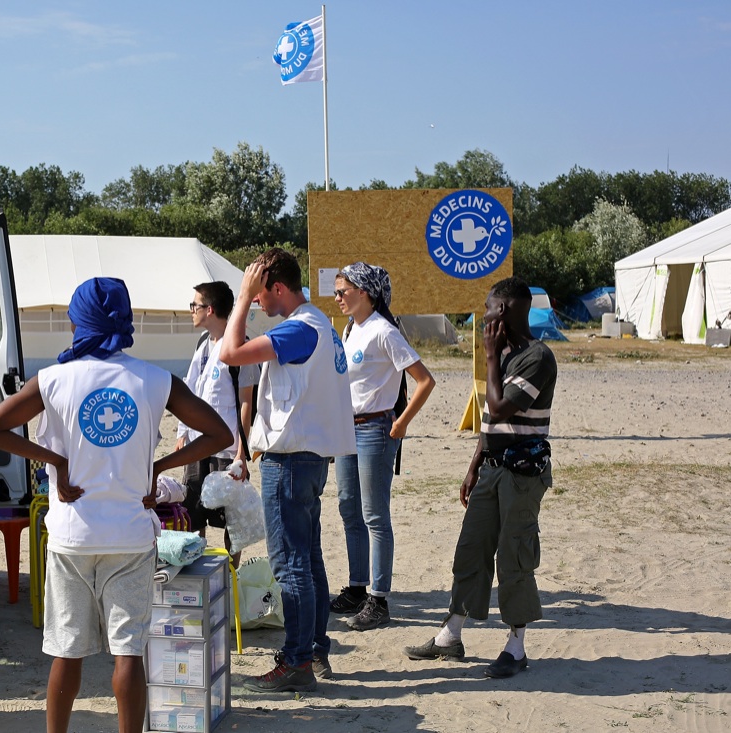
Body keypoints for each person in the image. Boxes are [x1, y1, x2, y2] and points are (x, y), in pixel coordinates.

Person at [0, 277, 231, 733]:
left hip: (71, 535)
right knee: (128, 652)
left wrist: (55, 459)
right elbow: (220, 435)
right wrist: (159, 466)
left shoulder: (52, 380)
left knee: (66, 652)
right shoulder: (155, 380)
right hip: (131, 537)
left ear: (79, 321)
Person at [404, 276, 556, 679]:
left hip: (523, 474)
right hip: (492, 468)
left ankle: (516, 646)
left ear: (503, 311)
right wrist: (474, 465)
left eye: (488, 308)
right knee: (471, 549)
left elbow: (500, 407)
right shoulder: (504, 354)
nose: (484, 315)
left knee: (514, 554)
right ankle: (450, 635)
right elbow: (490, 424)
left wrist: (490, 358)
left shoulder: (537, 358)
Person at [219, 248, 355, 692]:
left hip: (291, 459)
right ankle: (313, 650)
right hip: (311, 458)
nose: (256, 303)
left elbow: (230, 352)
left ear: (278, 288)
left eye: (260, 294)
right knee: (308, 560)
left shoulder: (299, 329)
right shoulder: (321, 324)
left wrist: (238, 299)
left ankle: (297, 661)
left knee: (290, 565)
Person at [330, 263, 436, 631]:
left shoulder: (383, 331)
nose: (338, 297)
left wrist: (401, 423)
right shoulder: (350, 330)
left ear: (365, 292)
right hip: (348, 429)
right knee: (349, 509)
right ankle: (357, 588)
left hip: (376, 430)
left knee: (375, 514)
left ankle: (379, 599)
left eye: (343, 291)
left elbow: (424, 381)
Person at [176, 281, 259, 566]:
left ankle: (231, 578)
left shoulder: (241, 346)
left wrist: (241, 454)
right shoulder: (202, 344)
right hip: (198, 445)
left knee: (230, 520)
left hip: (227, 448)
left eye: (195, 306)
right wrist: (182, 432)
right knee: (193, 512)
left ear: (210, 310)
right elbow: (190, 390)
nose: (191, 311)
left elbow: (247, 402)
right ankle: (195, 571)